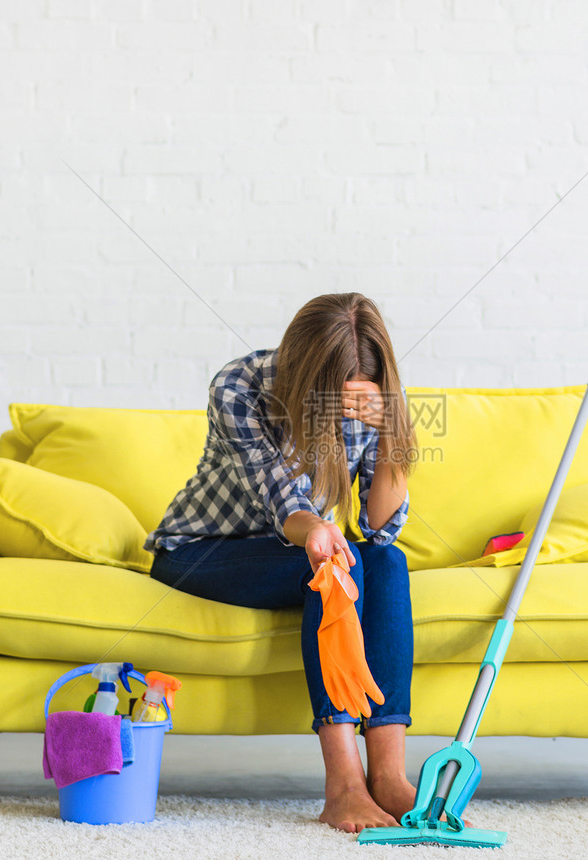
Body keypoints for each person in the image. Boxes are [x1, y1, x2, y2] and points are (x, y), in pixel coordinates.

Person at [145, 292, 418, 834]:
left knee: (386, 564)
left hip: (295, 546)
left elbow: (380, 528)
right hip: (201, 552)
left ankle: (388, 775)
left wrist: (390, 429)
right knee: (339, 567)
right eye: (331, 400)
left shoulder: (369, 399)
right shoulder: (238, 388)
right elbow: (283, 503)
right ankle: (343, 785)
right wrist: (318, 530)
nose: (343, 412)